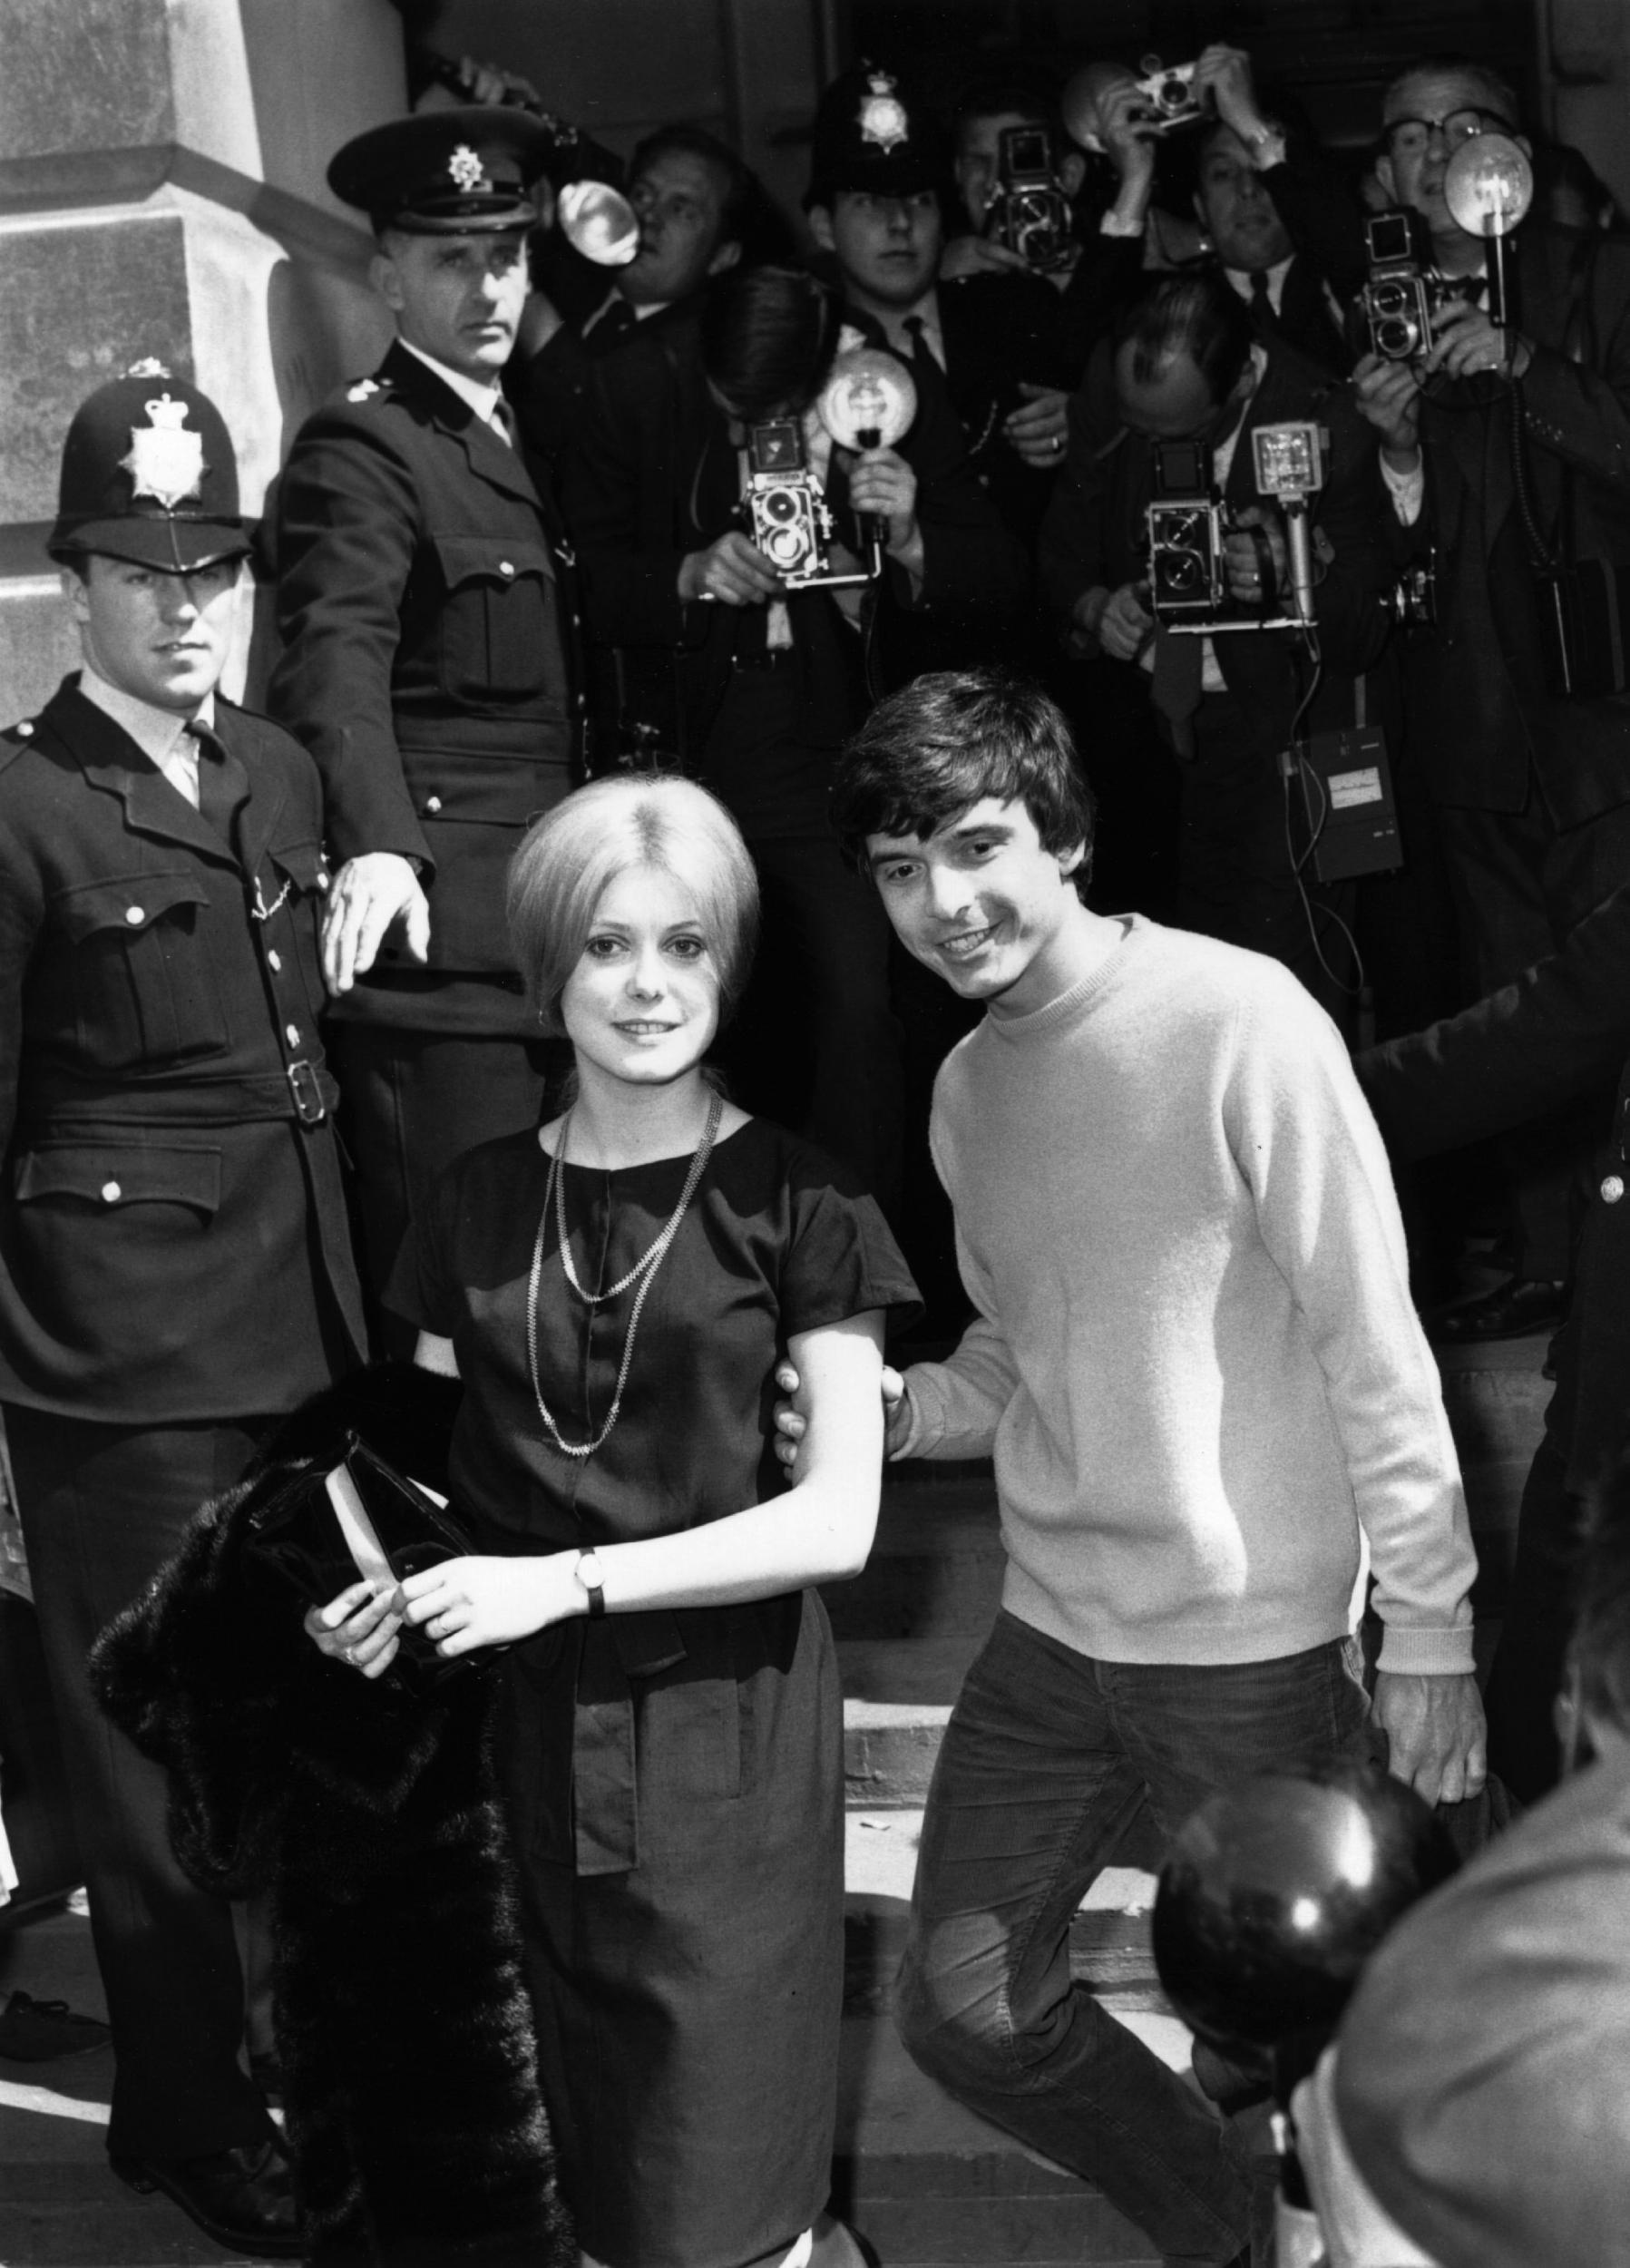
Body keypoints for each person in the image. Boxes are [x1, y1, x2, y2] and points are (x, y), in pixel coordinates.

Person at [778, 668, 1483, 2266]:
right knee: (966, 2007)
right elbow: (1013, 1357)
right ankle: (1232, 2233)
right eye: (899, 873)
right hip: (1047, 1641)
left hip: (1249, 1650)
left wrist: (1429, 1624)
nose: (943, 904)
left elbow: (1375, 1339)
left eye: (973, 847)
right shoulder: (963, 1090)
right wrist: (894, 1413)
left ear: (1063, 834)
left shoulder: (1240, 1020)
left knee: (1305, 2045)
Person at [307, 774, 920, 2268]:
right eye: (606, 947)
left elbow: (839, 1520)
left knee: (716, 2188)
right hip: (514, 1740)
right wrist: (380, 1587)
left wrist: (560, 1583)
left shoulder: (806, 1204)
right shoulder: (466, 1203)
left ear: (729, 961)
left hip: (724, 1736)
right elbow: (419, 1476)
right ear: (547, 969)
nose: (647, 985)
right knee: (560, 2173)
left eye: (685, 945)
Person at [0, 367, 368, 2256]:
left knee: (295, 1733)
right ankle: (189, 2110)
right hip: (115, 1358)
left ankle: (299, 2054)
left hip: (295, 1336)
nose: (185, 602)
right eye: (142, 570)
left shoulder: (274, 772)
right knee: (150, 1761)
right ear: (72, 583)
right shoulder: (23, 806)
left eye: (212, 564)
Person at [562, 260, 1025, 1208]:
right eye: (732, 407)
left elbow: (998, 579)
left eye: (768, 407)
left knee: (857, 1010)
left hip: (831, 745)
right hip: (688, 748)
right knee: (698, 1006)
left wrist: (906, 536)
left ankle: (855, 1258)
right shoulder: (634, 384)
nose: (748, 427)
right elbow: (580, 578)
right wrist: (687, 573)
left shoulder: (880, 391)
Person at [268, 105, 586, 1347]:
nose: (488, 284)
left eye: (505, 253)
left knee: (561, 1295)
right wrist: (382, 843)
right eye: (453, 258)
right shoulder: (367, 442)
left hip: (556, 933)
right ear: (386, 274)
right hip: (443, 952)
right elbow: (334, 659)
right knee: (461, 1311)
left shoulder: (527, 431)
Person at [1352, 53, 1630, 1341]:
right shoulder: (1379, 314)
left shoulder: (1599, 281)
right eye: (1411, 136)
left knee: (1606, 995)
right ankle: (1545, 1260)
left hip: (1602, 707)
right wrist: (1397, 455)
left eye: (1467, 126)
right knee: (1505, 996)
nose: (1439, 150)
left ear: (1516, 154)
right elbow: (1387, 552)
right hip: (1467, 718)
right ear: (1388, 176)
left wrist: (1529, 366)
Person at [1039, 271, 1392, 1025]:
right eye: (1139, 433)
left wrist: (1288, 571)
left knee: (1288, 995)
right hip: (1171, 749)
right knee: (1189, 995)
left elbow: (1362, 628)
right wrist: (1097, 606)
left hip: (1306, 743)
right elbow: (1061, 553)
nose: (1149, 448)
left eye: (1177, 438)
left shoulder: (1328, 419)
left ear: (1241, 380)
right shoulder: (1127, 397)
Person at [1356, 880, 1630, 1799]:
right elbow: (1530, 1034)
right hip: (1603, 1421)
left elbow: (1532, 1035)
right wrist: (1294, 1093)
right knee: (1537, 1744)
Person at [805, 64, 1075, 562]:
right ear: (824, 227)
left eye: (920, 200)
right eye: (869, 203)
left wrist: (1080, 424)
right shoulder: (809, 357)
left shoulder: (1016, 312)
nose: (901, 223)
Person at [511, 122, 768, 480]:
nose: (650, 218)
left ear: (722, 256)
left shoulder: (709, 351)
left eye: (682, 210)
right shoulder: (565, 283)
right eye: (643, 195)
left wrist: (526, 298)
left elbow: (591, 425)